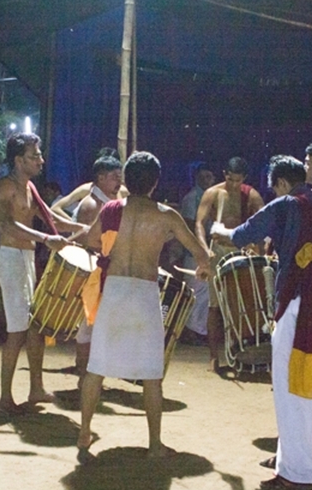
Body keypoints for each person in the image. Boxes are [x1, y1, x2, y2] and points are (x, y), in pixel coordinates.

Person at [211, 155, 312, 490]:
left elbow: (241, 235)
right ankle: (288, 458)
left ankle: (297, 472)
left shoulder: (285, 205)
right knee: (302, 382)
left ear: (283, 184)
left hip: (292, 303)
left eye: (275, 187)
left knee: (290, 387)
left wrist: (218, 230)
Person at [76, 151, 212, 463]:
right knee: (152, 374)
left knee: (97, 368)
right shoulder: (167, 215)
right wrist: (204, 267)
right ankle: (154, 445)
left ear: (126, 178)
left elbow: (91, 240)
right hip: (145, 293)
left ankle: (84, 431)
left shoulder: (111, 209)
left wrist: (112, 247)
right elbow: (199, 254)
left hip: (115, 290)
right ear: (155, 183)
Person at [0, 133, 88, 416]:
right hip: (11, 258)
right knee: (17, 331)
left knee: (35, 326)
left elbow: (53, 219)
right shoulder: (5, 187)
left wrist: (86, 229)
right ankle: (4, 399)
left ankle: (35, 388)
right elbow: (7, 226)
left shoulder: (30, 188)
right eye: (35, 156)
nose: (41, 160)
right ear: (19, 160)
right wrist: (47, 239)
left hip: (26, 257)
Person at [194, 156, 265, 370]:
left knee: (240, 303)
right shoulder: (212, 193)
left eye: (238, 180)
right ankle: (214, 356)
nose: (234, 184)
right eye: (230, 179)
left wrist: (259, 250)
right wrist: (204, 250)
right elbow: (199, 223)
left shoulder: (251, 194)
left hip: (241, 250)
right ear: (225, 174)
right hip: (218, 250)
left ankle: (241, 350)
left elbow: (263, 222)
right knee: (214, 305)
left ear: (244, 178)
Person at [71, 152, 124, 382]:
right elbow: (87, 241)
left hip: (103, 270)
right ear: (101, 178)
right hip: (94, 272)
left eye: (120, 177)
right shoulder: (92, 205)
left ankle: (88, 375)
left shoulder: (108, 202)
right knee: (88, 326)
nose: (119, 183)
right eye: (114, 177)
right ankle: (84, 375)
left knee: (95, 326)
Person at [179, 162, 216, 341]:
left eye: (210, 176)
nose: (207, 180)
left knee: (203, 294)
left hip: (205, 252)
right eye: (204, 176)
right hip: (194, 253)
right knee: (196, 292)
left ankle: (198, 331)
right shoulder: (192, 198)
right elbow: (189, 225)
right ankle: (191, 332)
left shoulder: (210, 196)